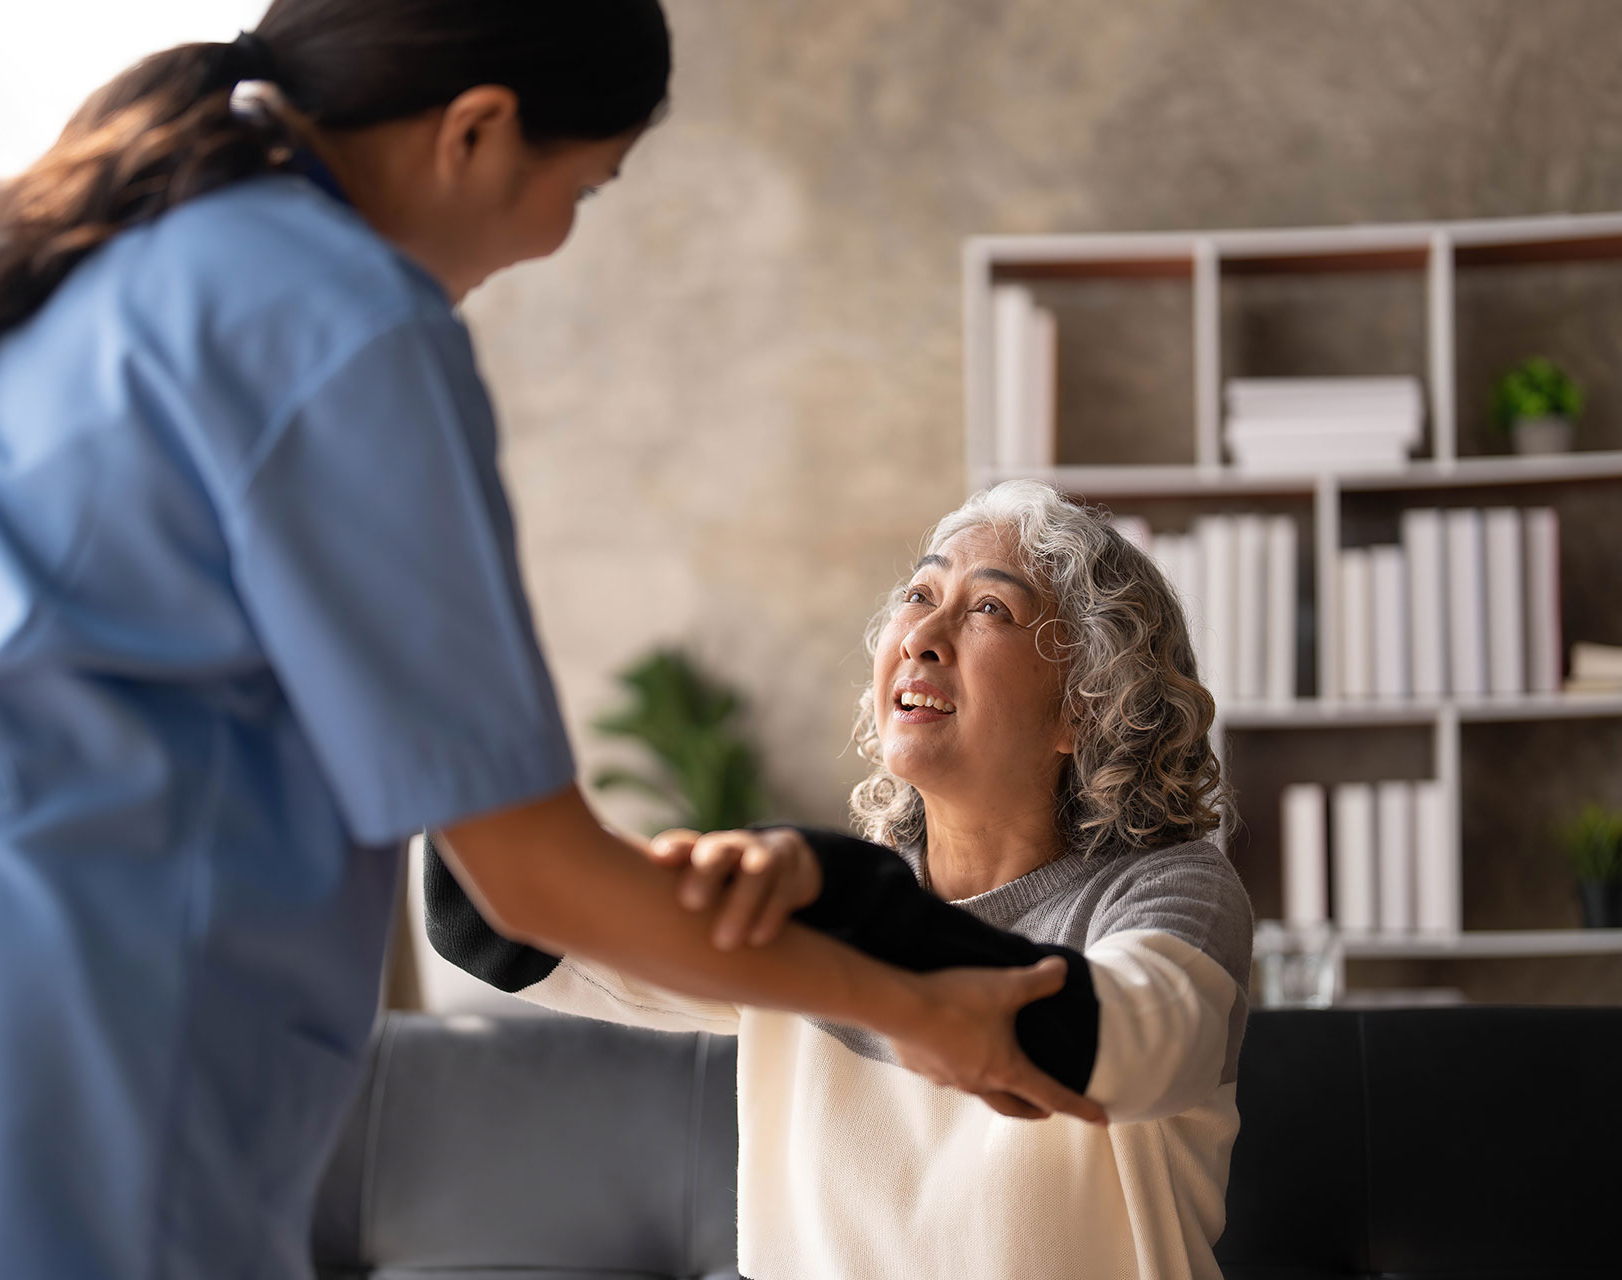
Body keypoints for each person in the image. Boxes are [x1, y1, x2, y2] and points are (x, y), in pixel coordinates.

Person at [0, 7, 1104, 1279]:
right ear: (478, 126)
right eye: (585, 185)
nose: (559, 233)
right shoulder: (338, 315)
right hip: (22, 1054)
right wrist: (915, 1011)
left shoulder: (85, 241)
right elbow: (533, 874)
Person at [428, 479, 1254, 1280]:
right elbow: (503, 926)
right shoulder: (820, 903)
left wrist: (846, 907)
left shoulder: (1170, 893)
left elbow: (1116, 1045)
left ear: (1087, 703)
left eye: (990, 608)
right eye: (918, 595)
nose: (921, 635)